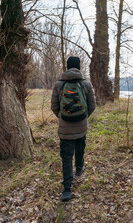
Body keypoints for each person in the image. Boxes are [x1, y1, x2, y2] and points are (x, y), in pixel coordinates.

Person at [51, 56, 96, 202]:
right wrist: (83, 117)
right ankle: (79, 167)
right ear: (79, 67)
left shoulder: (58, 84)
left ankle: (67, 189)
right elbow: (92, 105)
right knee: (80, 147)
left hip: (65, 129)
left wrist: (62, 117)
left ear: (67, 66)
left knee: (66, 156)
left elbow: (54, 107)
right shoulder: (86, 84)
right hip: (82, 126)